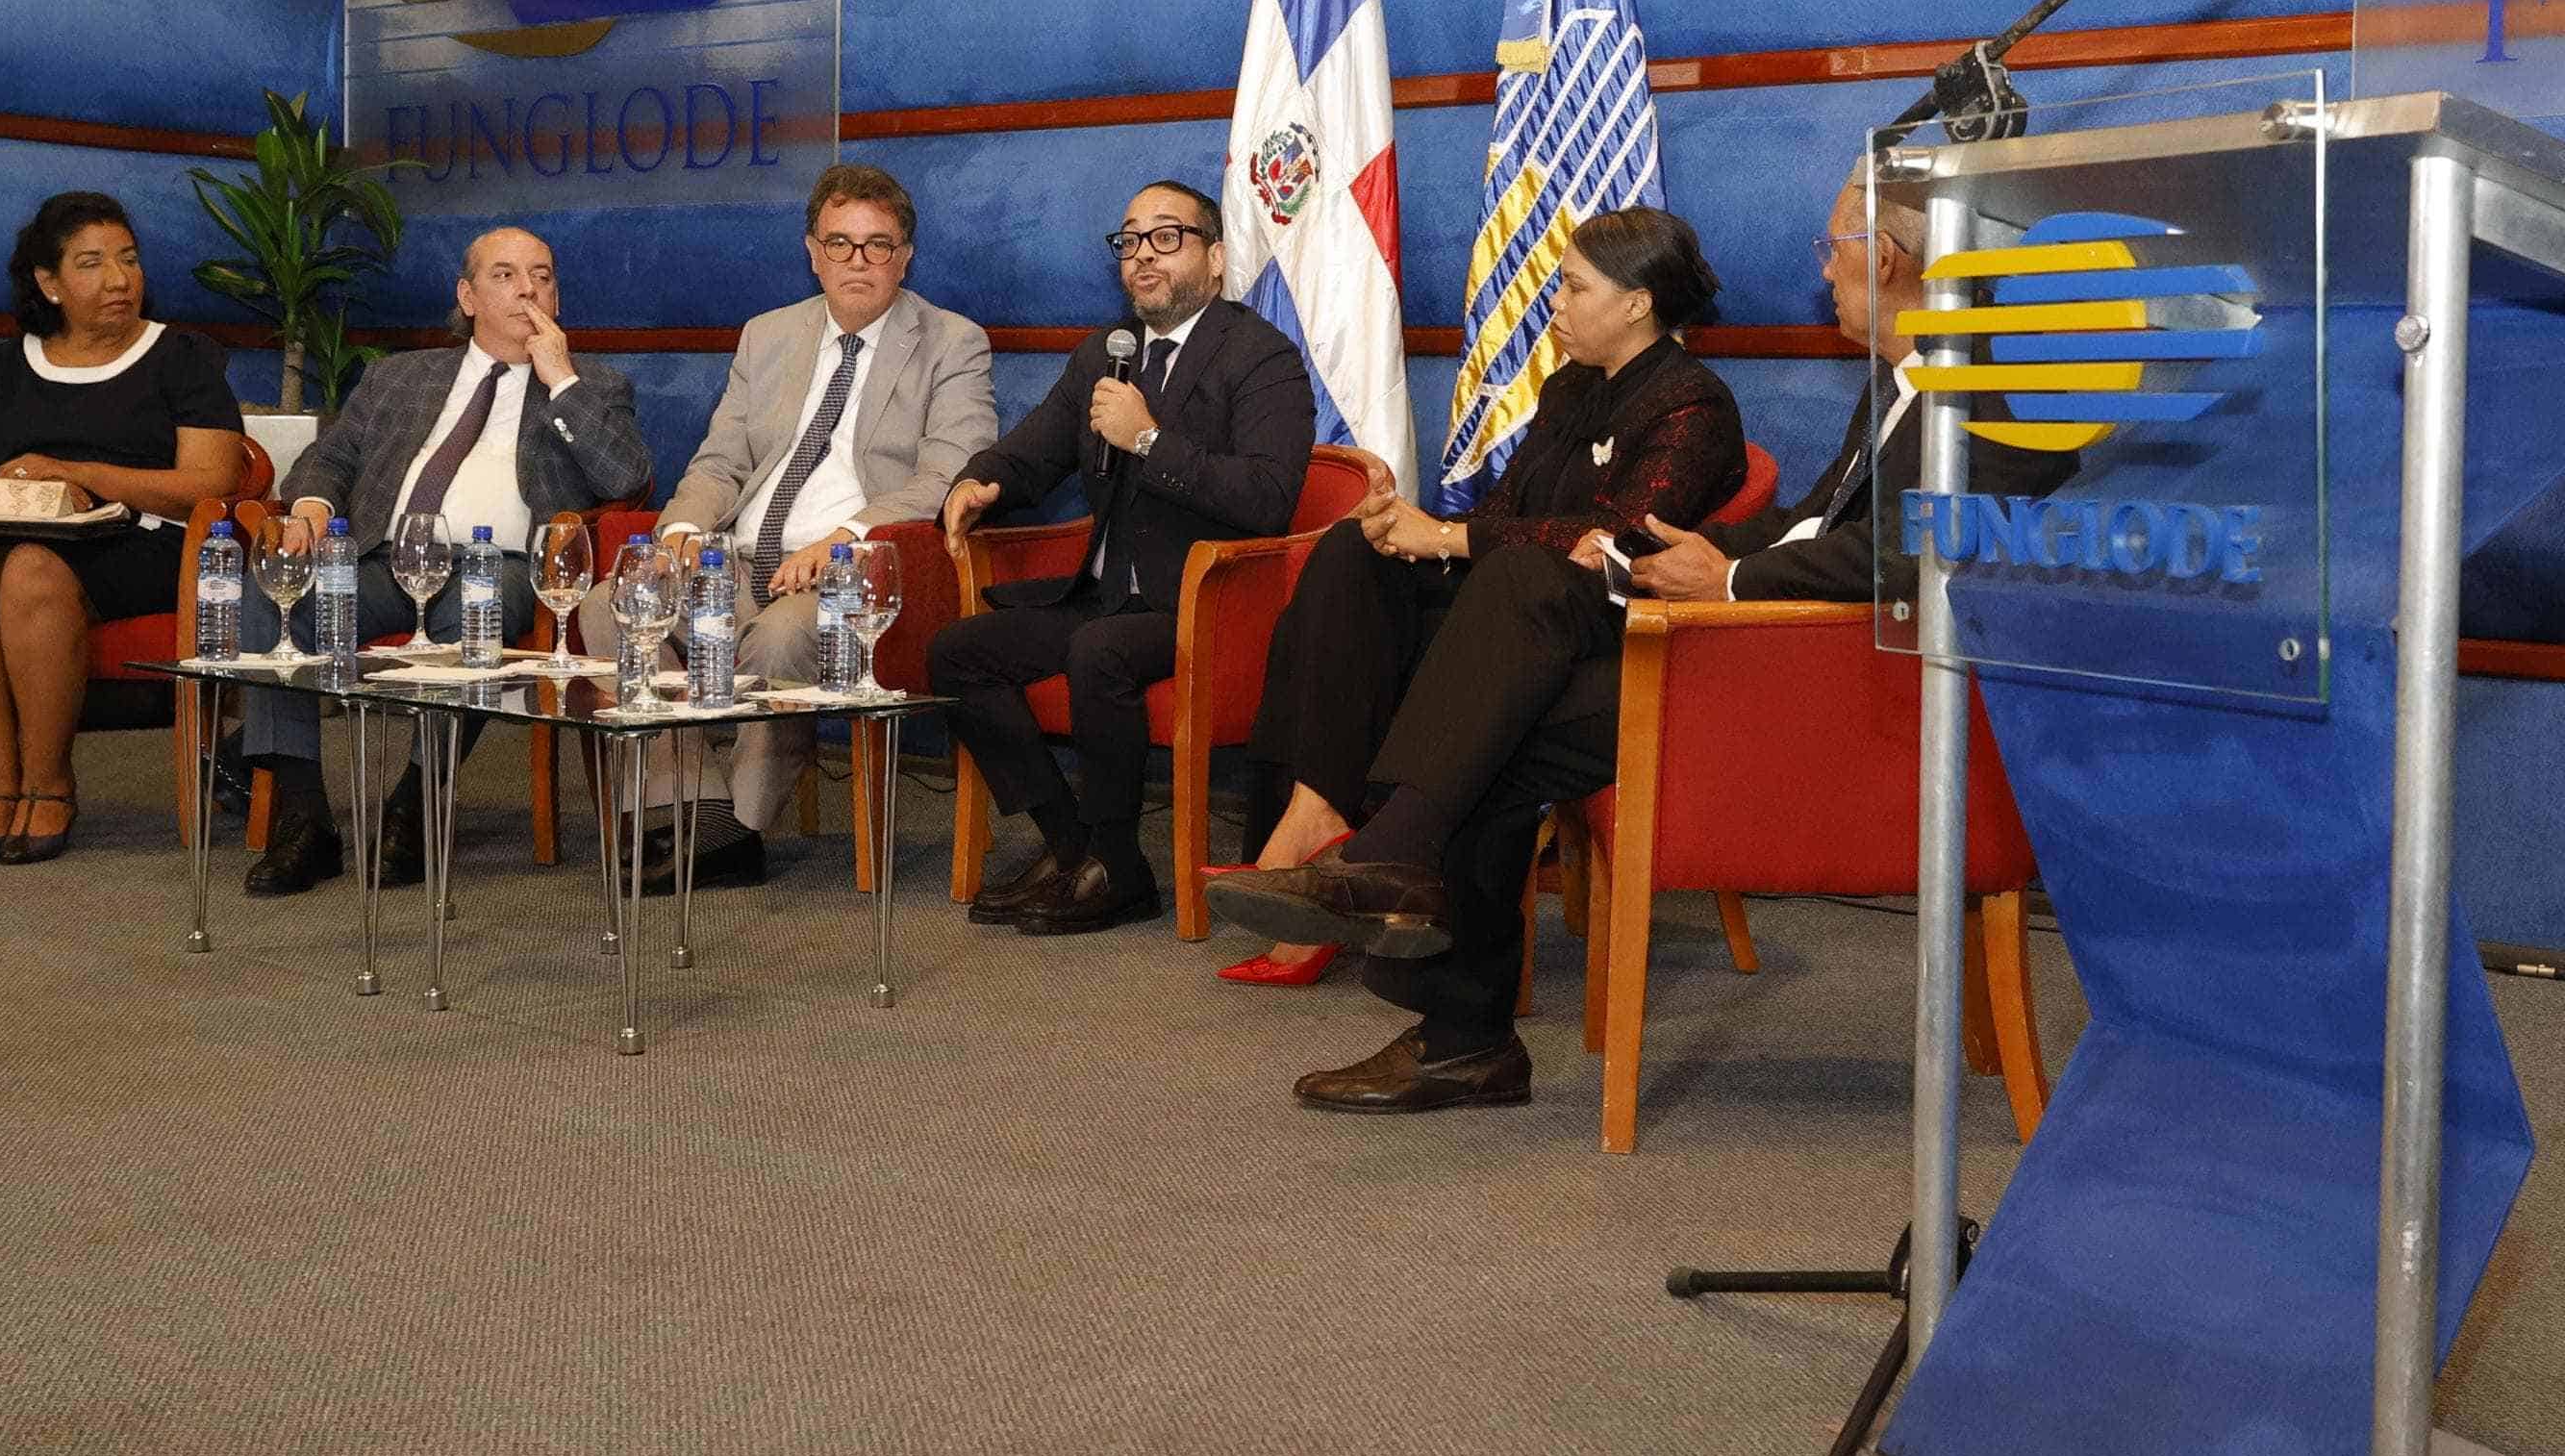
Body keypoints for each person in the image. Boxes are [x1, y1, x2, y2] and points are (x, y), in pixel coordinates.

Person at [1239, 163, 2064, 1116]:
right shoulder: (1903, 382)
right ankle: (1432, 962)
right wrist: (1697, 554)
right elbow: (1811, 527)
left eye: (1830, 249)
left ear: (1882, 257)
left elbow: (1914, 560)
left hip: (1855, 708)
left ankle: (1422, 941)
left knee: (1500, 691)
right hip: (1786, 658)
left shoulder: (1983, 393)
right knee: (1491, 711)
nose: (1820, 272)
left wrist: (1730, 576)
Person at [1203, 206, 1749, 1085]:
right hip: (1522, 618)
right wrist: (1420, 533)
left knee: (1509, 592)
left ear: (1640, 304)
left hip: (1616, 639)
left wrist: (1456, 542)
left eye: (1575, 288)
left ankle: (1395, 872)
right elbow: (1515, 520)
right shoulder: (1570, 388)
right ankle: (1328, 809)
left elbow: (1616, 544)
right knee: (1354, 551)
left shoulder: (1693, 402)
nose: (1553, 303)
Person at [927, 181, 1317, 936]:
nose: (1143, 254)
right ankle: (1074, 847)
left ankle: (1121, 866)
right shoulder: (1107, 354)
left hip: (1203, 604)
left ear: (1216, 256)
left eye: (1166, 237)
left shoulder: (1261, 357)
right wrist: (979, 481)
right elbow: (1032, 453)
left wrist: (1148, 440)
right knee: (958, 652)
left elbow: (1268, 496)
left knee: (1098, 651)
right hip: (1106, 597)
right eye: (1130, 239)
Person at [239, 227, 654, 896]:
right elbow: (333, 455)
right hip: (384, 556)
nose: (528, 289)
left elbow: (627, 477)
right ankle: (303, 815)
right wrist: (312, 503)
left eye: (543, 275)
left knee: (477, 606)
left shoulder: (593, 385)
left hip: (504, 566)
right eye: (506, 275)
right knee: (275, 587)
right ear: (468, 296)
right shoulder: (398, 376)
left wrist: (560, 380)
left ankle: (416, 798)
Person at [622, 164, 996, 891]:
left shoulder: (953, 343)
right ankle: (694, 811)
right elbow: (720, 462)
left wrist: (845, 538)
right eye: (841, 243)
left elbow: (948, 474)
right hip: (734, 562)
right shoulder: (768, 335)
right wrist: (680, 534)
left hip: (857, 577)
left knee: (785, 634)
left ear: (906, 256)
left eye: (878, 245)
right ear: (812, 251)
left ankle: (742, 826)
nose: (859, 261)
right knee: (628, 601)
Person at [0, 191, 247, 866]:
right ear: (49, 282)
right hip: (18, 533)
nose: (120, 280)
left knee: (35, 569)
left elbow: (211, 484)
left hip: (147, 541)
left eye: (129, 259)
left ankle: (49, 783)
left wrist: (80, 475)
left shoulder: (182, 356)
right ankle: (1, 785)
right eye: (92, 263)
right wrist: (19, 484)